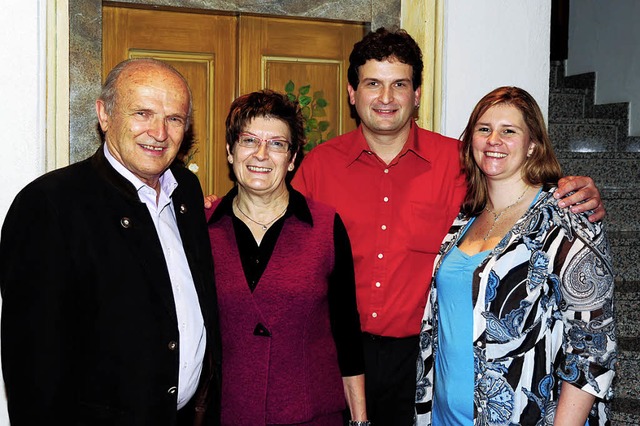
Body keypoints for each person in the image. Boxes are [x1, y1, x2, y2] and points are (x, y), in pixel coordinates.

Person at [291, 28, 606, 426]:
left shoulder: (465, 165)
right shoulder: (318, 166)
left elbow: (520, 189)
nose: (386, 99)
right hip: (339, 359)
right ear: (353, 93)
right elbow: (279, 231)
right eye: (373, 84)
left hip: (424, 362)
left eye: (399, 85)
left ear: (417, 94)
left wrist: (575, 188)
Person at [0, 58, 221, 425]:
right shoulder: (49, 205)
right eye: (143, 113)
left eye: (174, 119)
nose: (159, 133)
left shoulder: (186, 192)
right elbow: (32, 368)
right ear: (104, 114)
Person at [415, 86, 617, 425]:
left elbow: (593, 347)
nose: (494, 139)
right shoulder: (465, 218)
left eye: (509, 131)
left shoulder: (567, 217)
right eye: (484, 129)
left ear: (533, 145)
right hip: (442, 415)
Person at [206, 90, 367, 425]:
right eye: (249, 140)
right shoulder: (200, 229)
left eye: (277, 144)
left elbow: (347, 334)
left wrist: (360, 420)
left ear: (292, 159)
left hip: (312, 416)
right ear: (230, 151)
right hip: (227, 415)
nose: (261, 154)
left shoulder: (325, 226)